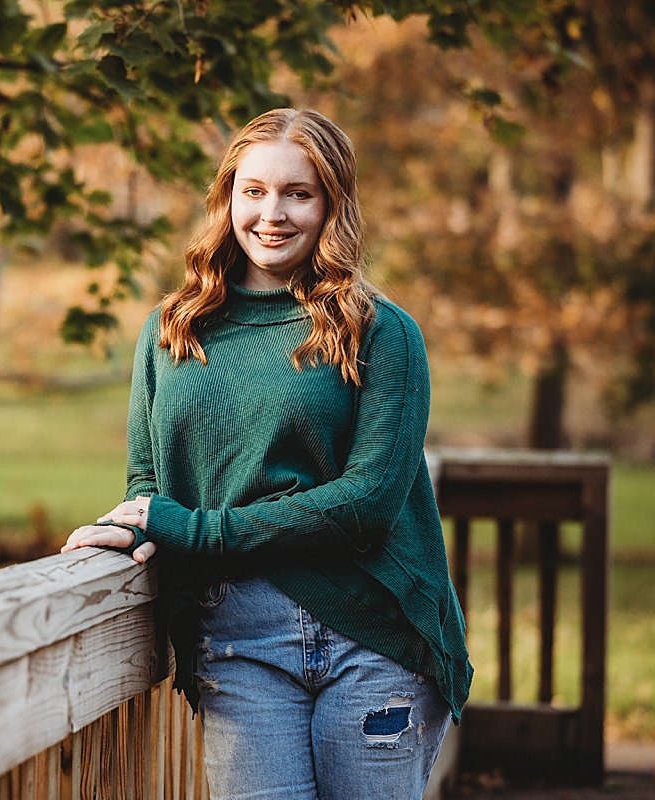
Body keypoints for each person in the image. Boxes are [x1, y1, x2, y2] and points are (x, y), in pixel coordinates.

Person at [61, 108, 472, 800]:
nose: (272, 213)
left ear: (332, 204)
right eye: (252, 191)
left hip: (372, 637)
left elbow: (367, 505)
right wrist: (131, 523)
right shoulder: (172, 329)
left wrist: (195, 531)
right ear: (227, 199)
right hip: (236, 639)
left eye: (298, 193)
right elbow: (149, 478)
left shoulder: (381, 332)